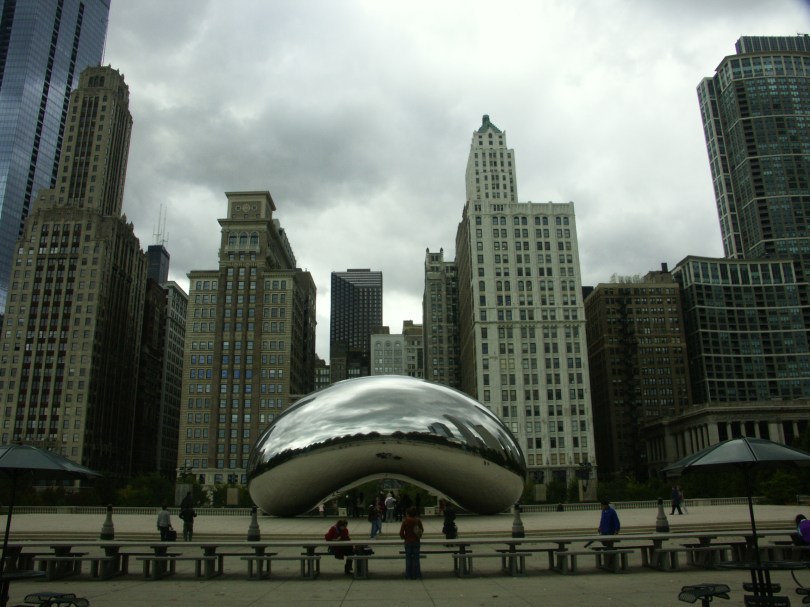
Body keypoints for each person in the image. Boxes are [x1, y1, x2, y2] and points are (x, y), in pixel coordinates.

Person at [399, 506, 424, 579]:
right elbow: (422, 530)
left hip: (408, 542)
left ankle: (408, 575)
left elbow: (401, 532)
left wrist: (404, 537)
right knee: (416, 559)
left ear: (408, 514)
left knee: (408, 559)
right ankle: (417, 574)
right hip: (416, 541)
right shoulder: (417, 521)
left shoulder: (405, 521)